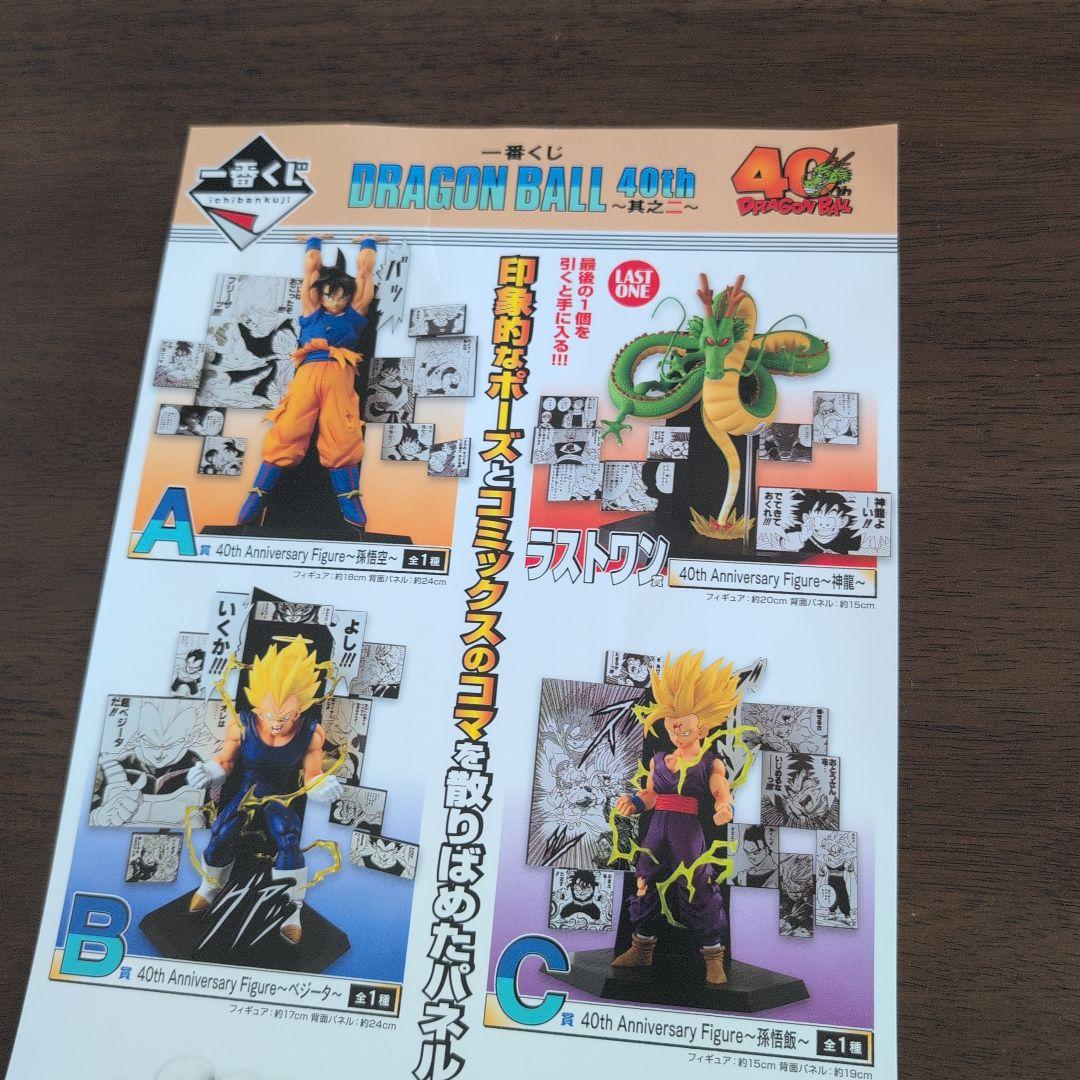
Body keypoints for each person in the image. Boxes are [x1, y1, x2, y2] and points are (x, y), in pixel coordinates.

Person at [185, 637, 343, 944]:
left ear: (299, 710)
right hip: (248, 788)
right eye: (271, 716)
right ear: (258, 705)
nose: (277, 724)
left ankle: (291, 909)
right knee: (221, 833)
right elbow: (225, 761)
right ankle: (210, 885)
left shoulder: (311, 733)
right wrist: (208, 771)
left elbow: (312, 774)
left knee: (288, 839)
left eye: (286, 717)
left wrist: (319, 786)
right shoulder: (242, 725)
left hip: (280, 793)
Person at [237, 234, 387, 531]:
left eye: (342, 297)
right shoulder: (311, 313)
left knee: (342, 432)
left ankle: (349, 498)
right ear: (321, 295)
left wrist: (368, 244)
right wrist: (313, 244)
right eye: (330, 296)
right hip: (308, 373)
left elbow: (365, 274)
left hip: (339, 373)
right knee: (288, 428)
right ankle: (257, 495)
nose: (336, 302)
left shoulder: (354, 316)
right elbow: (311, 271)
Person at [611, 651, 742, 985]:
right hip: (656, 829)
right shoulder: (659, 760)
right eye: (672, 725)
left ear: (703, 728)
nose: (676, 730)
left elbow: (720, 790)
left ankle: (713, 956)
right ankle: (641, 947)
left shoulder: (709, 762)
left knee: (698, 885)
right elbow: (651, 794)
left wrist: (724, 806)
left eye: (683, 725)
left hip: (687, 831)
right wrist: (633, 803)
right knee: (644, 881)